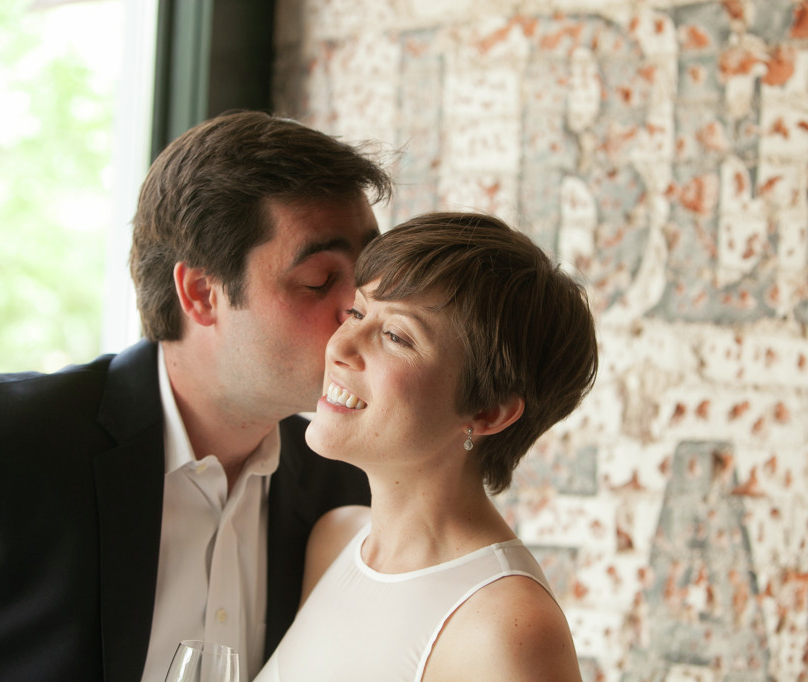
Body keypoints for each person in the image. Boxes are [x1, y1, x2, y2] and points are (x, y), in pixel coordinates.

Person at [0, 110, 392, 682]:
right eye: (319, 280)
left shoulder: (349, 487)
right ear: (200, 293)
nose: (360, 308)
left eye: (368, 274)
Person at [253, 212, 597, 682]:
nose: (339, 347)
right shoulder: (334, 539)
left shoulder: (507, 626)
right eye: (357, 312)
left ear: (488, 412)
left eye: (395, 336)